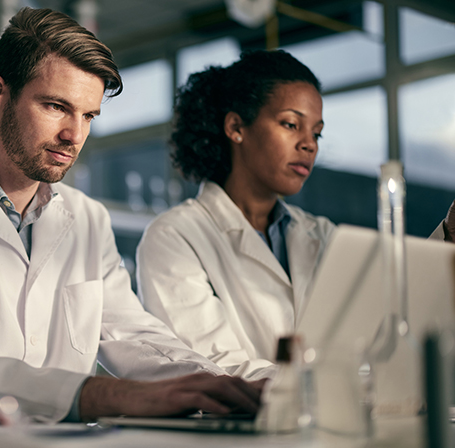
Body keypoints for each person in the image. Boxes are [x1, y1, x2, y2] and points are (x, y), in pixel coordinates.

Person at [0, 7, 264, 424]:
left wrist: (227, 386)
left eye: (88, 115)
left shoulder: (88, 219)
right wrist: (110, 396)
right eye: (56, 106)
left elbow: (133, 335)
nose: (75, 135)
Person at [136, 50, 455, 380]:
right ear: (235, 127)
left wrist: (450, 232)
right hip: (239, 428)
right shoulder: (175, 236)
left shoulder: (321, 234)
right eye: (291, 124)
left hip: (328, 422)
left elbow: (396, 308)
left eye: (316, 133)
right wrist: (328, 387)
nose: (309, 145)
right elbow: (215, 368)